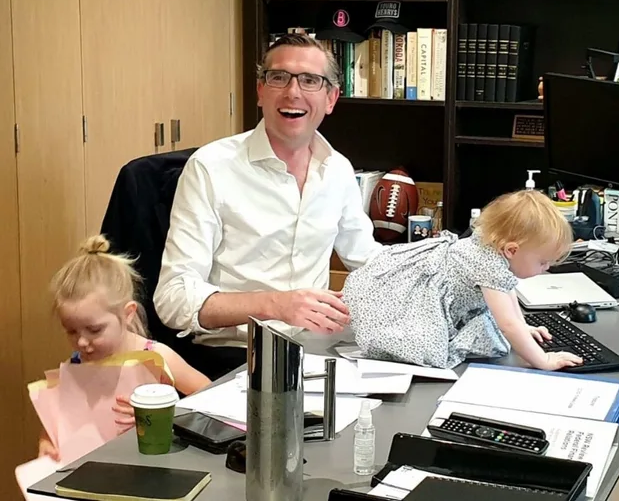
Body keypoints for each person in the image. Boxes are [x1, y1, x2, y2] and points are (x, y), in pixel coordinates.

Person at [153, 33, 382, 380]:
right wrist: (276, 305)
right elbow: (173, 298)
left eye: (310, 80)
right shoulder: (211, 168)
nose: (293, 92)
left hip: (313, 353)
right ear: (261, 91)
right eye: (279, 77)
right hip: (234, 359)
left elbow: (369, 261)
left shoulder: (338, 169)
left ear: (331, 98)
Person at [343, 189, 584, 371]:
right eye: (543, 262)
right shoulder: (488, 264)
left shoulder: (491, 246)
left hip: (427, 294)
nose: (546, 269)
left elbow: (508, 295)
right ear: (511, 250)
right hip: (412, 307)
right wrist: (543, 360)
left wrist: (525, 328)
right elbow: (507, 324)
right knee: (422, 346)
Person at [39, 235, 211, 461]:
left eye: (94, 330)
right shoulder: (76, 364)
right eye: (71, 331)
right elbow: (56, 421)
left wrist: (164, 416)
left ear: (128, 314)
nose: (81, 342)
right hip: (96, 470)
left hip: (153, 465)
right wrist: (47, 443)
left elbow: (208, 395)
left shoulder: (155, 357)